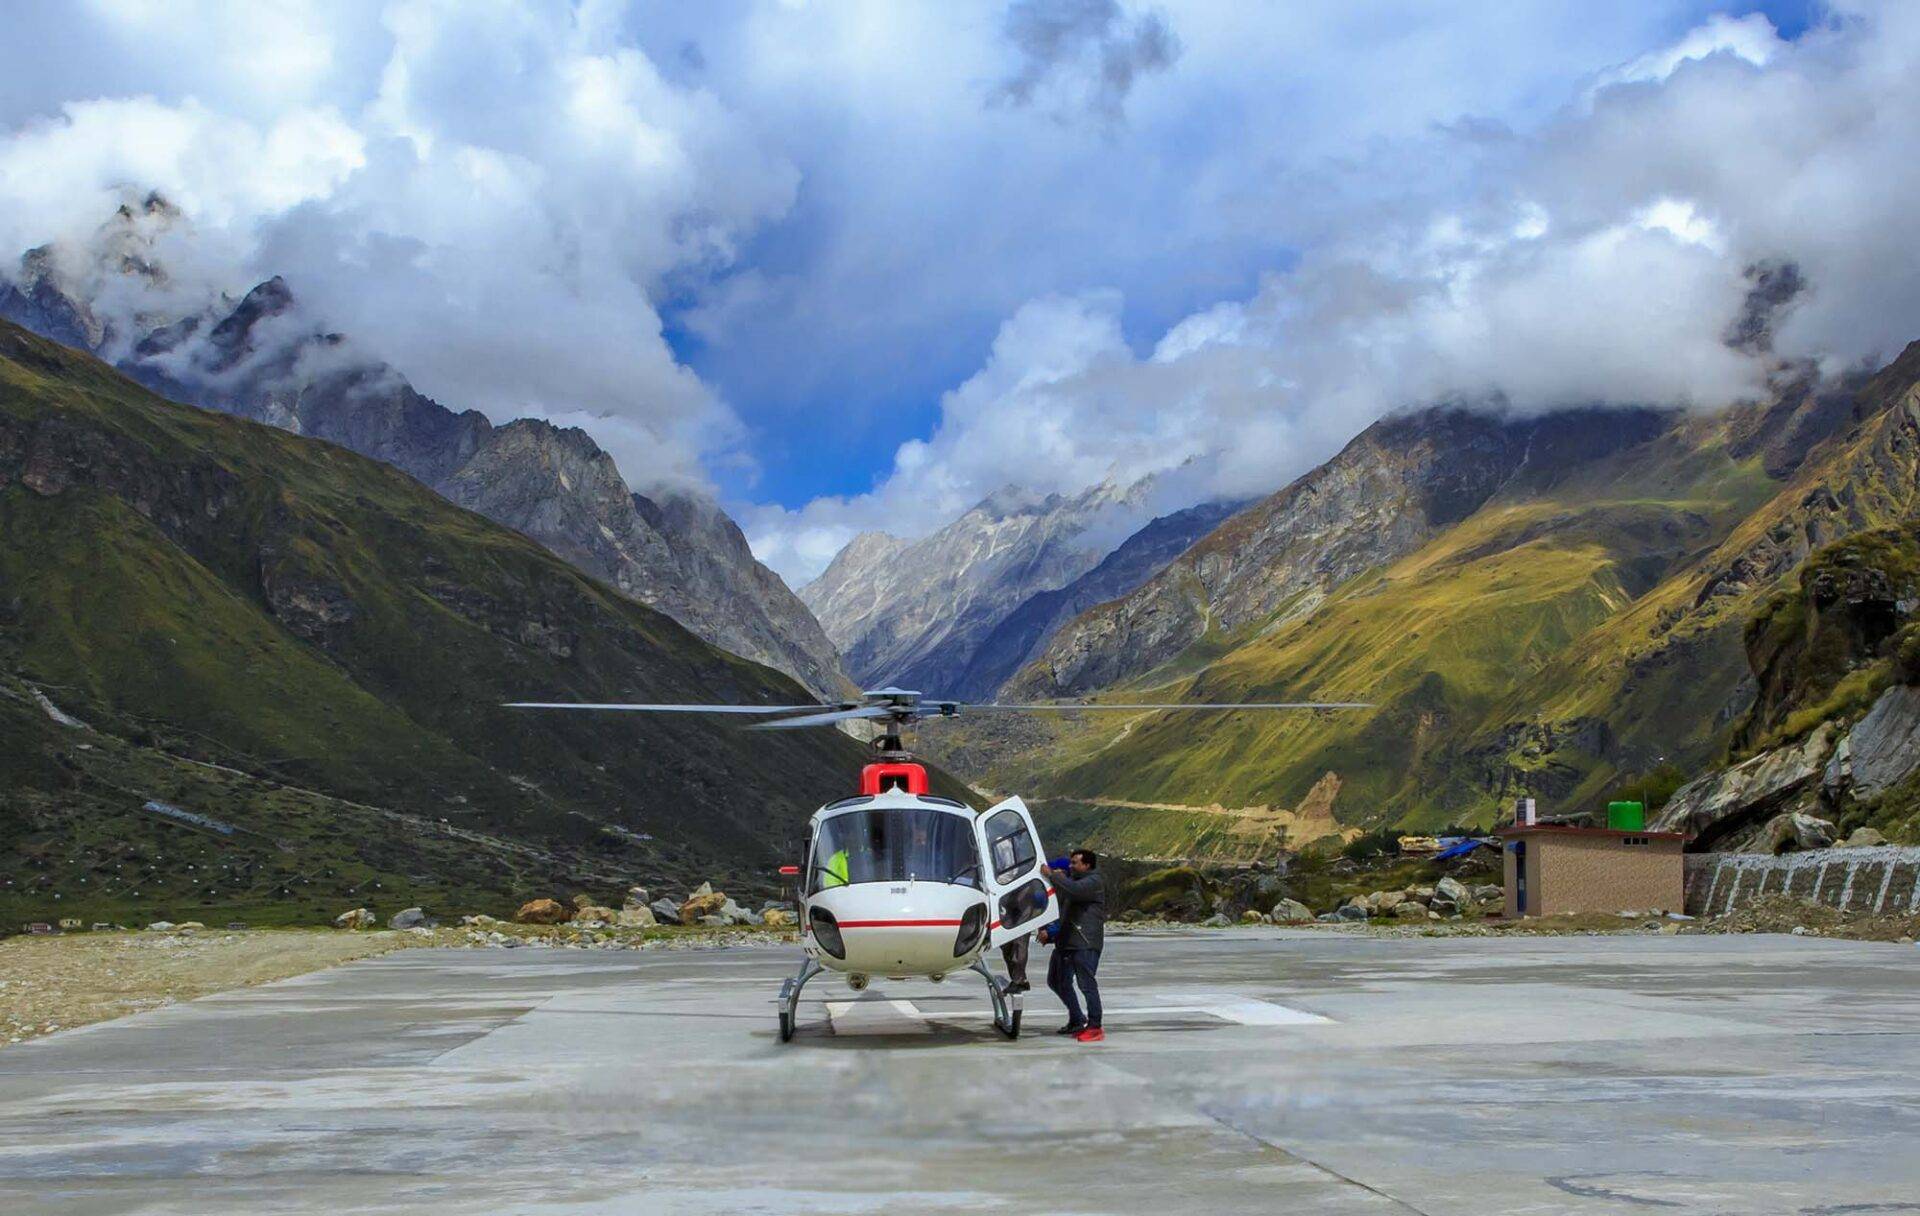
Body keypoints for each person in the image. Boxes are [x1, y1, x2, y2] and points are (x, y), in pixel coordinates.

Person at [1040, 849, 1105, 1042]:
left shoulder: (1093, 882)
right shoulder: (1075, 882)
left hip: (1084, 942)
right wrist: (1051, 934)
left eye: (1075, 863)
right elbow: (1063, 913)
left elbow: (1073, 891)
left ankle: (1095, 1026)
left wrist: (1051, 875)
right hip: (1067, 941)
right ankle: (1077, 1018)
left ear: (1087, 865)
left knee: (1086, 984)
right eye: (1071, 862)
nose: (1071, 866)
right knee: (1056, 980)